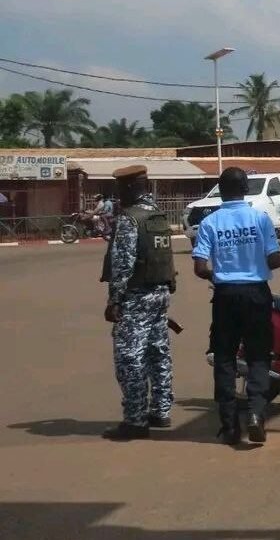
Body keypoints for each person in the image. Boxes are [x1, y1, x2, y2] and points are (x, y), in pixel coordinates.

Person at [192, 167, 280, 445]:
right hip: (256, 293)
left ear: (220, 189)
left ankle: (229, 425)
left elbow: (199, 267)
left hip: (225, 295)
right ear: (245, 188)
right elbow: (275, 259)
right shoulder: (260, 218)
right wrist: (253, 262)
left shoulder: (210, 222)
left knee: (225, 357)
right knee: (258, 356)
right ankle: (255, 414)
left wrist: (219, 274)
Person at [102, 165, 177, 440]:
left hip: (136, 297)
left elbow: (122, 264)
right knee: (158, 354)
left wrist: (114, 300)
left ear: (132, 187)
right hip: (160, 294)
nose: (119, 194)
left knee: (129, 358)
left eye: (121, 188)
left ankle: (135, 420)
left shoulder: (129, 218)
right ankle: (161, 410)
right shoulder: (157, 214)